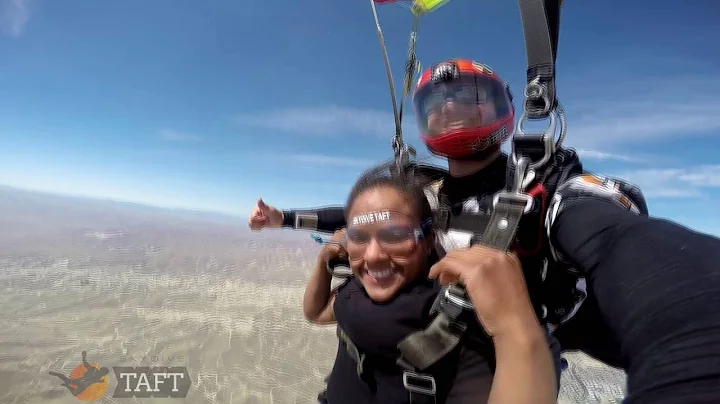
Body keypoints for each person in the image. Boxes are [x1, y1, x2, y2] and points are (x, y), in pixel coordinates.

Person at [249, 58, 720, 402]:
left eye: (471, 97)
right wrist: (284, 219)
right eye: (437, 102)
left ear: (506, 110)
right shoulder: (428, 191)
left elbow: (647, 259)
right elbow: (352, 216)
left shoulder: (547, 195)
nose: (451, 106)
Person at [304, 161, 557, 404]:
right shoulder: (355, 290)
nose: (372, 256)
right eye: (358, 237)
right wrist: (323, 260)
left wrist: (512, 323)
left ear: (428, 240)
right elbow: (315, 313)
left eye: (395, 235)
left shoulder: (452, 316)